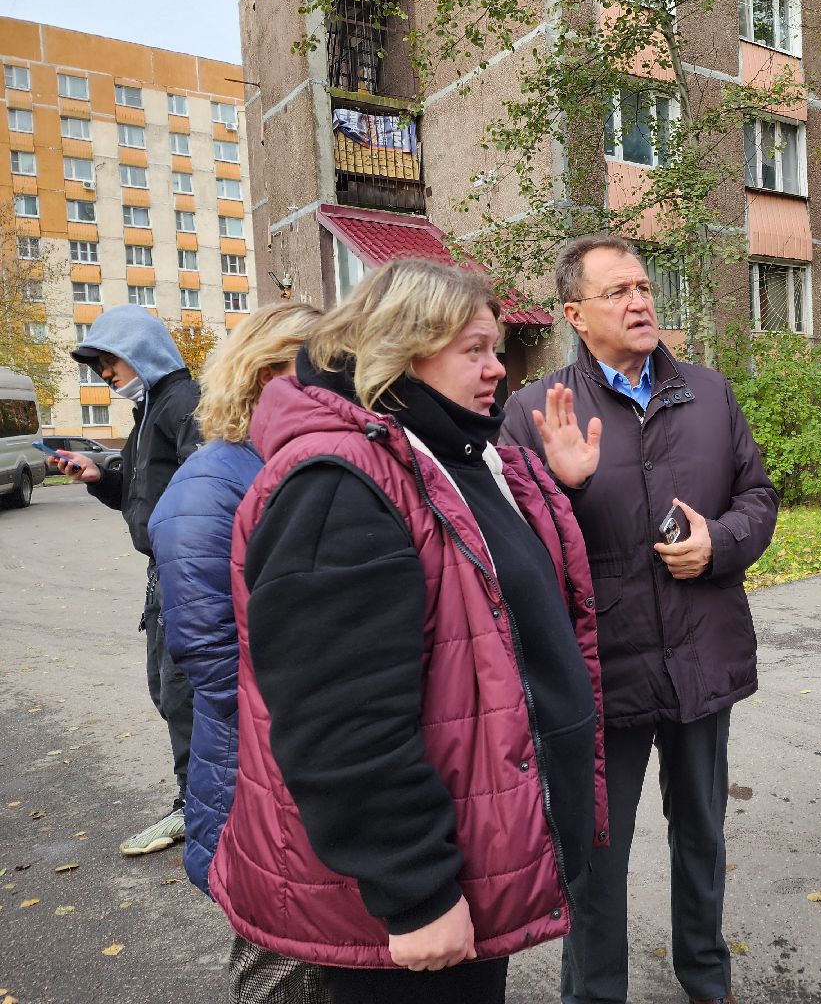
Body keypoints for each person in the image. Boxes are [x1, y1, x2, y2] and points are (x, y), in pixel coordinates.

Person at [209, 260, 608, 1004]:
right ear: (403, 346)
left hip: (474, 851)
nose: (499, 369)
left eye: (496, 349)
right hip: (399, 909)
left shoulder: (462, 457)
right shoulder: (340, 482)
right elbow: (337, 718)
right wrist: (416, 889)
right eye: (476, 350)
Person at [500, 235, 779, 1004]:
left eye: (646, 287)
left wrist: (720, 543)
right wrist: (560, 489)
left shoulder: (711, 393)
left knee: (702, 836)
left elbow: (759, 497)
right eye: (618, 291)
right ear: (574, 315)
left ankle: (706, 977)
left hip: (701, 657)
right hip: (599, 671)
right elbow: (508, 552)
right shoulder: (534, 412)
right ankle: (595, 994)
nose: (641, 302)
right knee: (597, 855)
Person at [147, 301, 326, 1003]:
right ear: (266, 372)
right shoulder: (208, 489)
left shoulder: (297, 463)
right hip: (265, 780)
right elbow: (216, 665)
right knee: (281, 965)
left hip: (316, 767)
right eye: (322, 364)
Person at [57, 305, 203, 856]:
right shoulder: (148, 412)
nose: (103, 373)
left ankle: (198, 806)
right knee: (167, 690)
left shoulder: (182, 402)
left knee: (185, 691)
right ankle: (199, 799)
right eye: (95, 365)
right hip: (162, 574)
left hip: (187, 575)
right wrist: (100, 477)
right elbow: (143, 496)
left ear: (139, 348)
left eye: (107, 359)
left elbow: (210, 486)